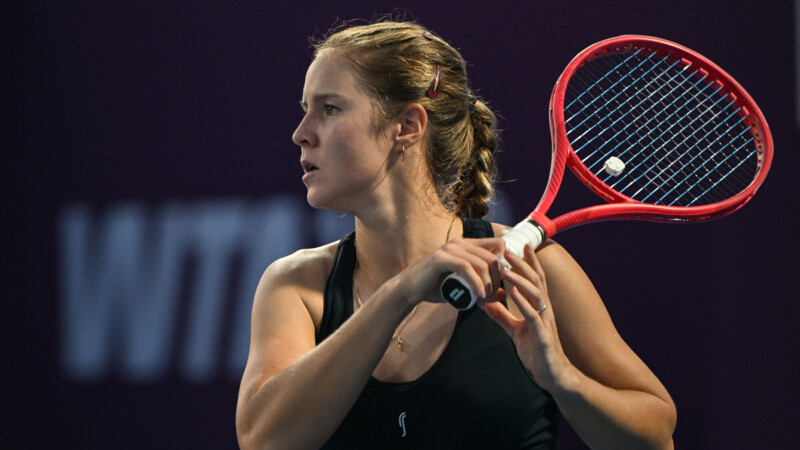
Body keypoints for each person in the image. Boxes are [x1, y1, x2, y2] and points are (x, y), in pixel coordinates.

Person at [236, 20, 676, 449]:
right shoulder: (295, 286)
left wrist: (562, 378)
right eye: (306, 110)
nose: (301, 134)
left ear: (407, 126)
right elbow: (262, 440)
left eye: (329, 108)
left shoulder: (536, 269)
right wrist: (400, 293)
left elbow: (657, 437)